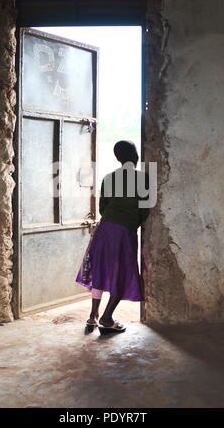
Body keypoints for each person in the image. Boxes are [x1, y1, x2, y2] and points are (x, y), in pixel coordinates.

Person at [75, 140, 151, 334]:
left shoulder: (109, 178)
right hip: (124, 231)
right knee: (123, 273)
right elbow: (145, 210)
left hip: (105, 229)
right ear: (135, 155)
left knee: (100, 270)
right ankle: (107, 318)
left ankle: (93, 316)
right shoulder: (143, 179)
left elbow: (103, 207)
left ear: (118, 158)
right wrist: (132, 223)